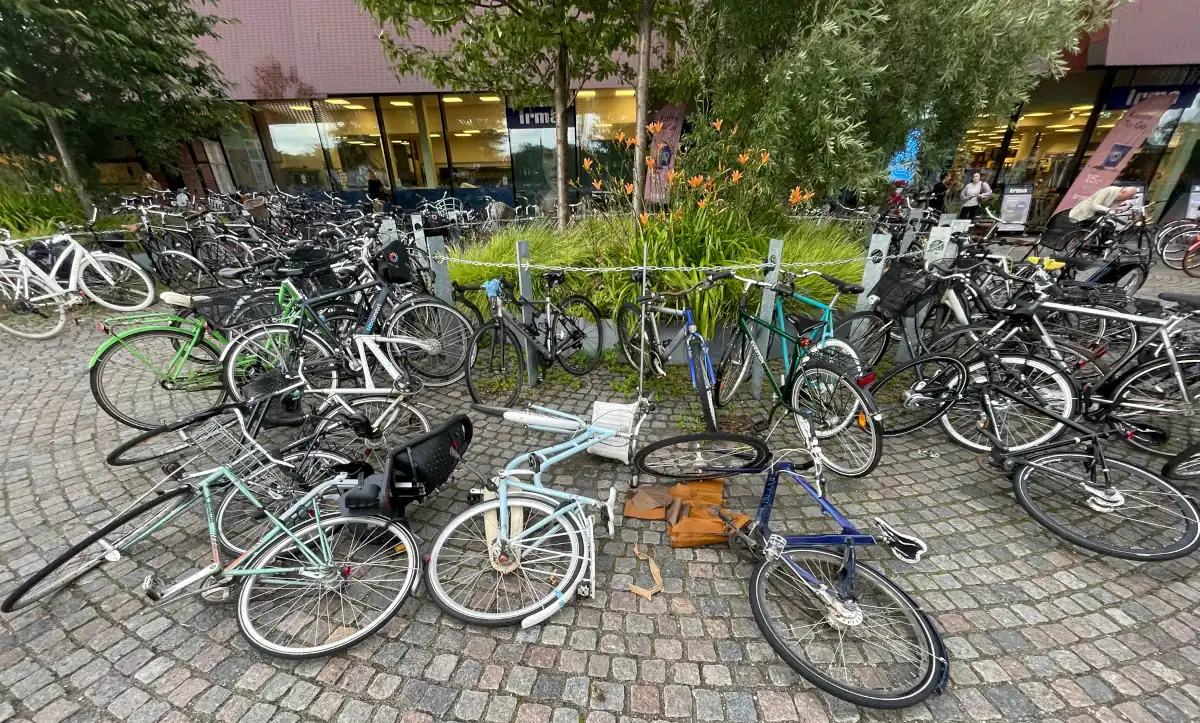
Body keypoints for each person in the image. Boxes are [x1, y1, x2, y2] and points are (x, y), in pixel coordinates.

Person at [1068, 185, 1138, 224]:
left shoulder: (1120, 198)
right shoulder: (1109, 190)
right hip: (1085, 213)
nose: (1124, 200)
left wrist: (1123, 209)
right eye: (1125, 197)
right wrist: (1108, 210)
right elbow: (1094, 205)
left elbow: (1112, 211)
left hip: (1097, 215)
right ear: (1123, 191)